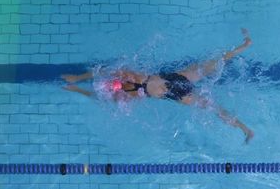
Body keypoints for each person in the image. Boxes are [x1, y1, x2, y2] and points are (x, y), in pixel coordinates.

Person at [61, 28, 255, 143]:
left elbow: (100, 73)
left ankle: (245, 45)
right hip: (178, 88)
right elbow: (100, 90)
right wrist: (77, 87)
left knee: (214, 69)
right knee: (214, 102)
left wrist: (77, 80)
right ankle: (245, 129)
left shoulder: (126, 82)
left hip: (177, 84)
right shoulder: (126, 89)